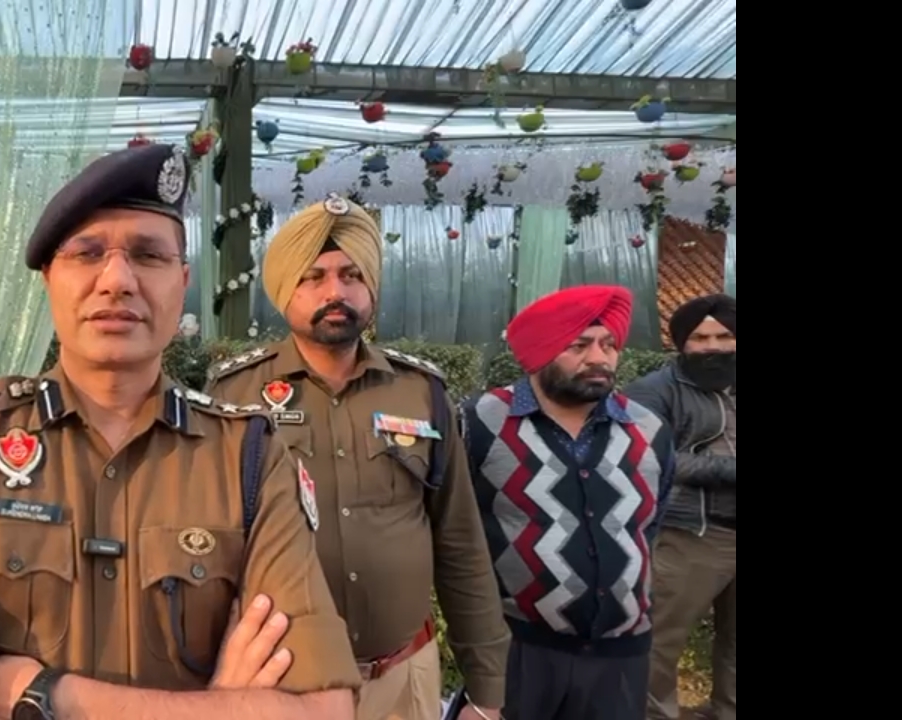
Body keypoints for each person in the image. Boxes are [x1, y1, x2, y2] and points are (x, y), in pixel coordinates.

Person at [0, 143, 362, 720]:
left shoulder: (249, 456)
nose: (118, 280)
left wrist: (48, 696)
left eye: (148, 255)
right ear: (49, 278)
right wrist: (218, 707)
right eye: (88, 253)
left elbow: (324, 710)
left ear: (182, 281)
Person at [205, 193, 507, 720]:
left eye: (351, 275)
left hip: (401, 680)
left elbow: (459, 541)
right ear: (285, 290)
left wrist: (487, 692)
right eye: (313, 277)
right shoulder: (235, 394)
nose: (335, 292)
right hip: (284, 685)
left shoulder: (420, 392)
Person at [462, 285, 675, 720]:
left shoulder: (649, 429)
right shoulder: (481, 421)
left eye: (609, 344)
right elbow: (456, 531)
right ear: (541, 351)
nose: (599, 358)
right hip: (518, 651)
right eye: (579, 345)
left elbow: (648, 527)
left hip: (621, 659)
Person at [625, 294, 736, 720]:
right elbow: (651, 458)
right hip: (688, 535)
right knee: (659, 643)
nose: (713, 346)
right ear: (681, 343)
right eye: (700, 338)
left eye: (724, 336)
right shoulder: (652, 391)